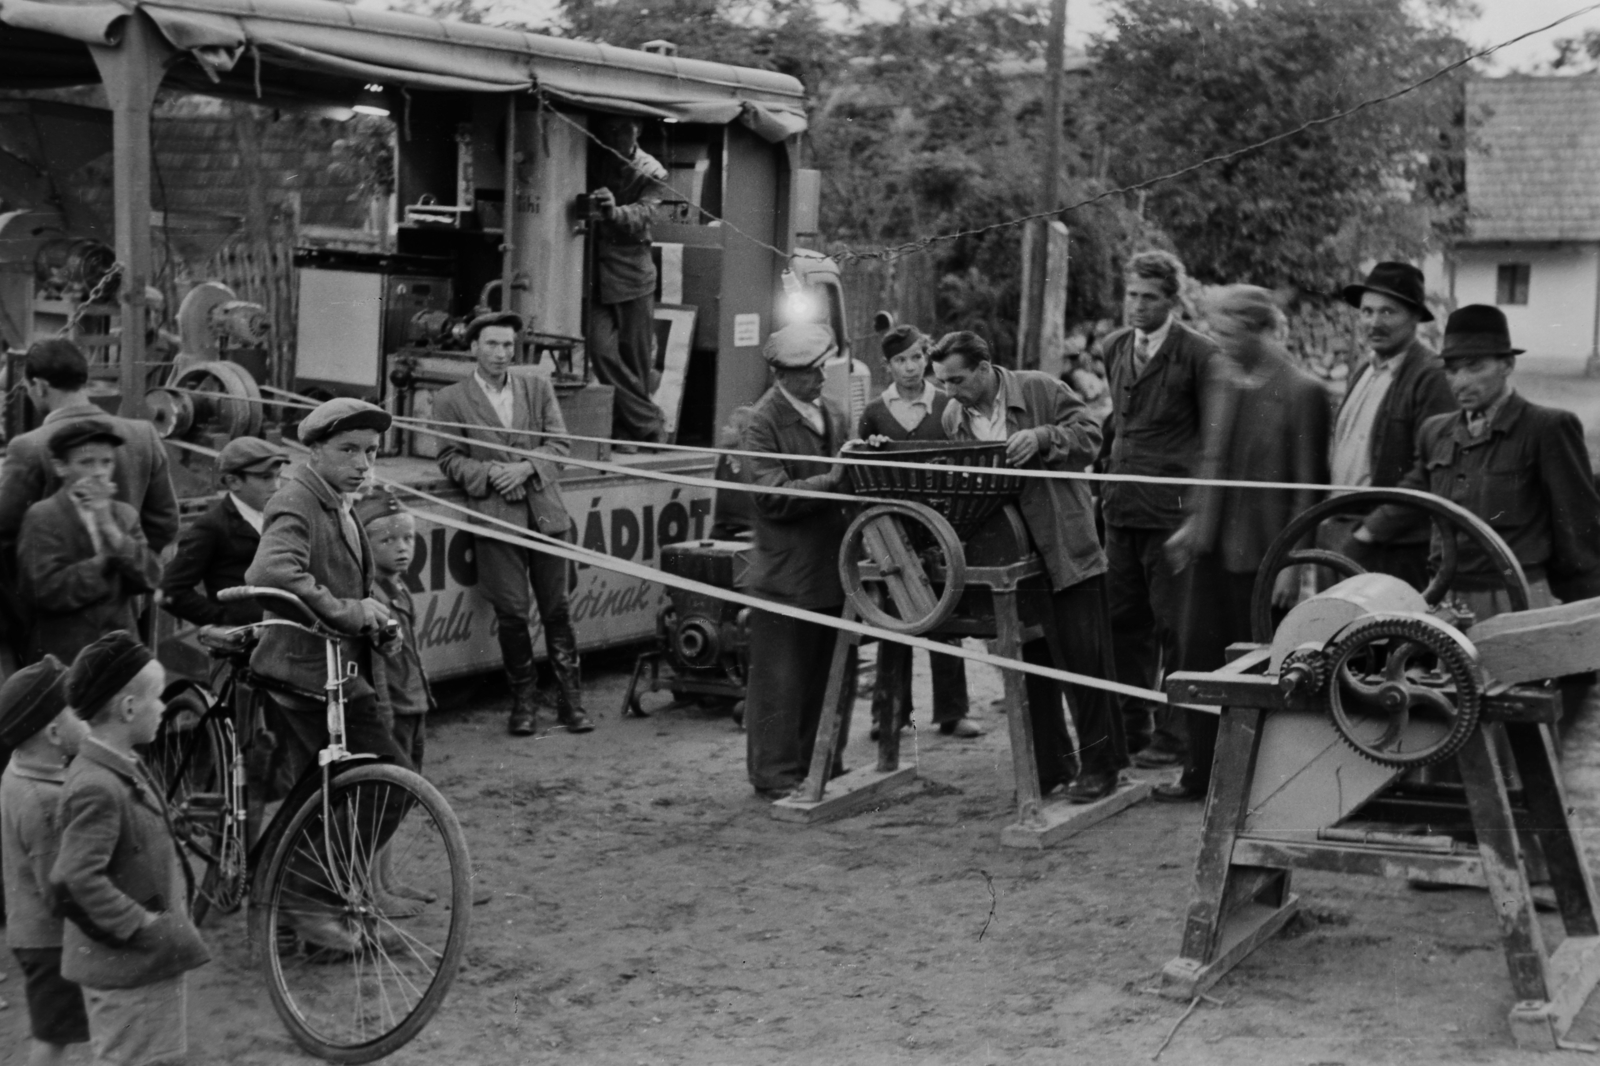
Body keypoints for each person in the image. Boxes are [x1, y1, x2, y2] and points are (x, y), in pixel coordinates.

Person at [244, 397, 413, 953]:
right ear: (313, 451)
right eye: (348, 450)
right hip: (306, 670)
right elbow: (271, 569)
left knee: (319, 791)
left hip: (333, 669)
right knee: (389, 781)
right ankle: (308, 899)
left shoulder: (337, 501)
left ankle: (282, 891)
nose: (363, 463)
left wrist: (373, 622)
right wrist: (347, 613)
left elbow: (348, 587)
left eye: (370, 452)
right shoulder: (297, 498)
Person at [932, 330, 1129, 803]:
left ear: (984, 369)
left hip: (1065, 548)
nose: (949, 390)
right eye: (942, 382)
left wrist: (1044, 437)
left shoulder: (1040, 389)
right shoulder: (953, 416)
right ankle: (1052, 767)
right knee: (1030, 666)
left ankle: (1103, 768)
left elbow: (1091, 437)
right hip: (1011, 557)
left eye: (956, 380)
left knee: (1085, 665)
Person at [1160, 286, 1331, 802]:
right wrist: (1193, 523)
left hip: (1262, 557)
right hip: (1208, 549)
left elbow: (1308, 488)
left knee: (1260, 666)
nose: (1217, 340)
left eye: (1227, 330)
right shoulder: (1220, 376)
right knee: (1197, 657)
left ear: (1259, 329)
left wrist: (1291, 565)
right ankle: (1200, 773)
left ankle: (1259, 784)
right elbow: (1211, 458)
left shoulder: (1304, 391)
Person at [1359, 304, 1600, 623]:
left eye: (1475, 367)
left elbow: (1578, 528)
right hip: (1444, 600)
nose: (1460, 382)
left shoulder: (1545, 428)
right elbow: (1420, 488)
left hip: (1515, 601)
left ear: (1507, 365)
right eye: (1452, 369)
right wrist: (1369, 530)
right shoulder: (1435, 431)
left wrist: (1580, 615)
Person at [51, 631, 210, 1066]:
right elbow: (75, 877)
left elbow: (129, 836)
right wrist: (141, 926)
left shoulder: (120, 766)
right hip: (127, 972)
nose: (164, 708)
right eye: (158, 699)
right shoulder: (96, 787)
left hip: (143, 968)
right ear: (127, 708)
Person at [431, 311, 591, 736]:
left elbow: (561, 445)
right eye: (492, 345)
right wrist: (490, 477)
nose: (502, 353)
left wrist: (524, 469)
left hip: (547, 516)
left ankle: (569, 702)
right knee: (512, 613)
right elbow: (448, 458)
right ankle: (523, 703)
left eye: (508, 345)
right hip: (495, 518)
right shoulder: (450, 399)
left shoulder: (537, 387)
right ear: (473, 348)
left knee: (557, 608)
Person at [1097, 250, 1217, 769]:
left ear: (1172, 300)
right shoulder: (1115, 347)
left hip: (1171, 516)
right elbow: (1118, 423)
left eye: (1149, 297)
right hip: (1120, 511)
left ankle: (1177, 735)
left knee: (1176, 627)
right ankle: (1131, 725)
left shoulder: (1200, 355)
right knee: (1123, 621)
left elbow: (1213, 444)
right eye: (1131, 295)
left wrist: (1198, 517)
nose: (1138, 306)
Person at [0, 339, 178, 651]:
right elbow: (163, 526)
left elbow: (4, 539)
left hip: (54, 629)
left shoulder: (29, 447)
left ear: (39, 386)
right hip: (123, 615)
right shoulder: (143, 434)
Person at [741, 322, 856, 800]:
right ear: (780, 375)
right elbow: (771, 496)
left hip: (835, 567)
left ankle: (823, 763)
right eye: (809, 371)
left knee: (831, 674)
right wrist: (834, 480)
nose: (820, 378)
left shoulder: (833, 412)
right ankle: (775, 774)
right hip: (786, 575)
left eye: (821, 367)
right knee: (780, 683)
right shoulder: (760, 422)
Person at [856, 324, 980, 740]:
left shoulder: (947, 403)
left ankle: (952, 711)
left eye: (915, 358)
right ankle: (892, 714)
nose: (909, 368)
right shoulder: (874, 412)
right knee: (895, 620)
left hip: (941, 525)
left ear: (926, 358)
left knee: (946, 617)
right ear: (887, 365)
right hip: (894, 531)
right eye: (899, 360)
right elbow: (862, 472)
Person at [1320, 262, 1456, 590]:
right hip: (1341, 529)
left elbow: (1431, 468)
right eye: (1367, 312)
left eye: (1388, 312)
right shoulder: (1364, 370)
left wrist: (1369, 532)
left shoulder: (1430, 376)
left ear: (1414, 318)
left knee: (1385, 637)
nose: (1373, 322)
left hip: (1391, 543)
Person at [1, 656, 91, 1066]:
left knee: (58, 1029)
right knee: (53, 1036)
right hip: (50, 940)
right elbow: (60, 887)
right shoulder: (46, 803)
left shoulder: (18, 774)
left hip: (32, 932)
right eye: (76, 709)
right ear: (54, 733)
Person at [17, 419, 162, 665]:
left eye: (107, 462)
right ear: (60, 468)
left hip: (120, 655)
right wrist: (104, 560)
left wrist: (109, 528)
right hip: (64, 658)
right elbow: (44, 591)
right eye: (86, 462)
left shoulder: (123, 514)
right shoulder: (42, 516)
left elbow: (152, 577)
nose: (99, 471)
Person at [587, 114, 669, 444]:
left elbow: (644, 213)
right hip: (596, 277)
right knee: (600, 349)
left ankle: (628, 429)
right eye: (608, 127)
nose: (614, 134)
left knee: (635, 362)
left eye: (622, 128)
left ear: (638, 130)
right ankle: (650, 423)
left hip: (633, 278)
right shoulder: (592, 159)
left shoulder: (653, 171)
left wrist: (613, 212)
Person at [159, 436, 289, 637]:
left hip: (286, 633)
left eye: (277, 476)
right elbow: (170, 591)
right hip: (246, 645)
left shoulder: (279, 518)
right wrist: (225, 621)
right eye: (265, 478)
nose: (275, 486)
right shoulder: (212, 527)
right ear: (233, 481)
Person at [357, 489, 433, 771]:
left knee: (413, 781)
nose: (402, 548)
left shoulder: (400, 590)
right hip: (395, 710)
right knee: (395, 786)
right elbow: (377, 666)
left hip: (414, 703)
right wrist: (385, 714)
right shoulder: (374, 601)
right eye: (387, 540)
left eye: (408, 538)